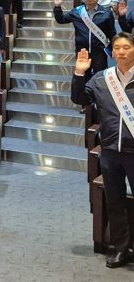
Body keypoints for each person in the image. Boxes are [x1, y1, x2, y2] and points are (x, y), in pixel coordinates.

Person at [71, 36, 134, 268]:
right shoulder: (101, 79)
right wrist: (79, 73)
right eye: (117, 48)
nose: (121, 52)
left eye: (127, 47)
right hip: (110, 151)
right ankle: (120, 248)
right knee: (115, 201)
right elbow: (79, 99)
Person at [54, 0, 115, 77]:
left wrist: (113, 48)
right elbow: (61, 20)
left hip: (99, 51)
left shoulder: (106, 13)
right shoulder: (77, 12)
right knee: (82, 75)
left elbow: (112, 32)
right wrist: (57, 7)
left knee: (100, 76)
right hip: (82, 50)